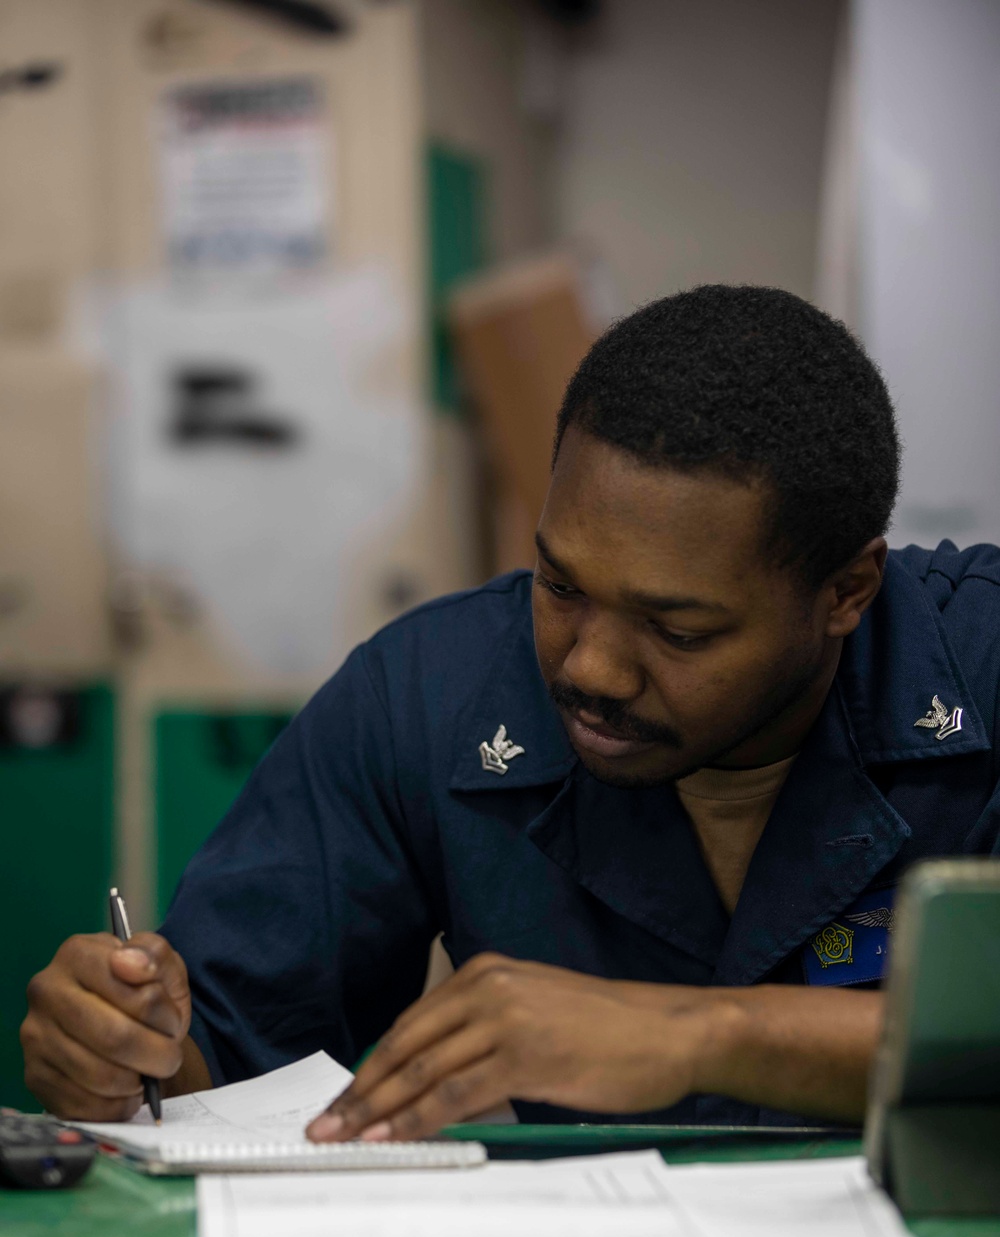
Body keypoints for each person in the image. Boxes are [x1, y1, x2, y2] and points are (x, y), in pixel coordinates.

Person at [22, 285, 1000, 1141]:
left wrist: (697, 1036)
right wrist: (122, 1060)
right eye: (561, 585)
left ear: (845, 591)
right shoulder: (428, 695)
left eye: (679, 628)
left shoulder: (981, 663)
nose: (591, 668)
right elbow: (220, 1070)